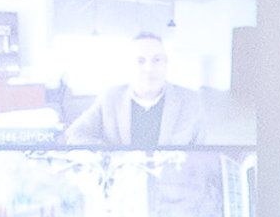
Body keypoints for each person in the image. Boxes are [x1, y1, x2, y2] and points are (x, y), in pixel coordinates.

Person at [65, 29, 252, 148]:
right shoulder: (110, 98)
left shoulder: (191, 101)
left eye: (157, 60)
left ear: (166, 63)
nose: (149, 68)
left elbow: (200, 149)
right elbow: (75, 134)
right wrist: (113, 154)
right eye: (140, 61)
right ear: (129, 66)